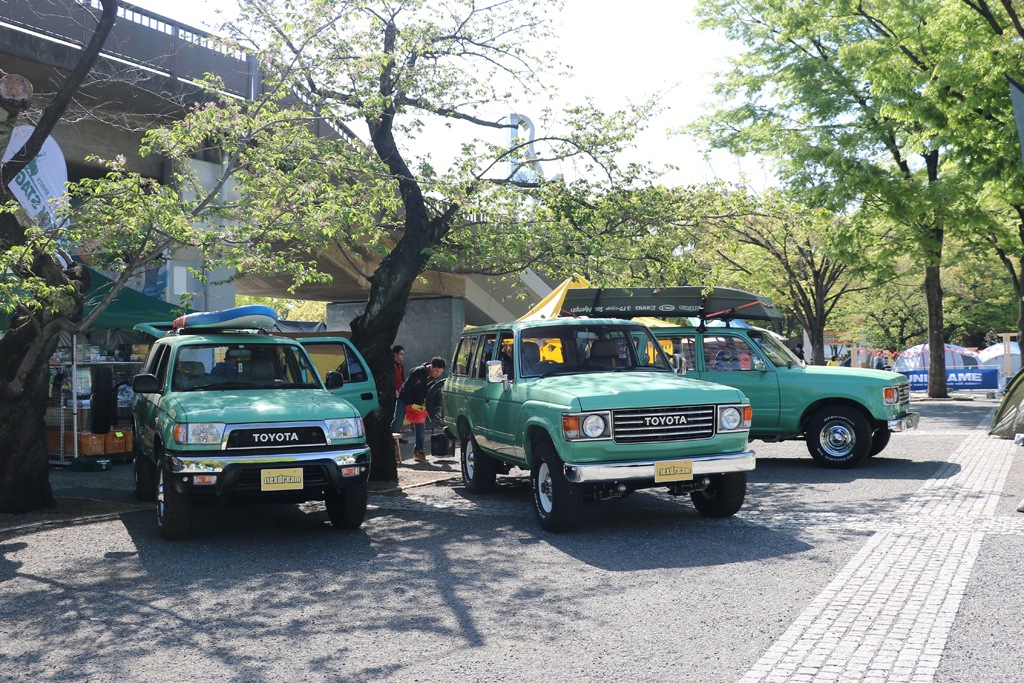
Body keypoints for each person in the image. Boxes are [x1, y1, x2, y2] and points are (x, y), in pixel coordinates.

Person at [399, 356, 446, 461]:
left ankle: (419, 451)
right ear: (432, 367)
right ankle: (389, 448)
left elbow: (436, 395)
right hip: (404, 399)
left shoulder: (435, 380)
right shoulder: (418, 371)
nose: (437, 374)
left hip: (418, 402)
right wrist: (409, 403)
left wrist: (438, 411)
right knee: (397, 421)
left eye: (440, 372)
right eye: (436, 371)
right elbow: (407, 387)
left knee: (421, 426)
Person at [390, 345, 407, 441]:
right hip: (393, 393)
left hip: (400, 393)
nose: (402, 356)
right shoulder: (392, 365)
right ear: (395, 354)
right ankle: (393, 436)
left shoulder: (400, 366)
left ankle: (397, 435)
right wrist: (395, 390)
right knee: (395, 417)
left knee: (399, 416)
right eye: (401, 354)